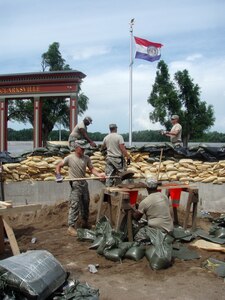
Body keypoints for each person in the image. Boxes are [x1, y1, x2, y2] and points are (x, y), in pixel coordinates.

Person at [55, 139, 105, 237]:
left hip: (83, 183)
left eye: (84, 149)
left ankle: (85, 222)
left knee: (86, 203)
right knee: (75, 204)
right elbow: (58, 166)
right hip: (75, 183)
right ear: (76, 148)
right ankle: (71, 227)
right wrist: (58, 175)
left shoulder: (86, 158)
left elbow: (92, 169)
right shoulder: (69, 158)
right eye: (82, 149)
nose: (83, 150)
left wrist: (99, 174)